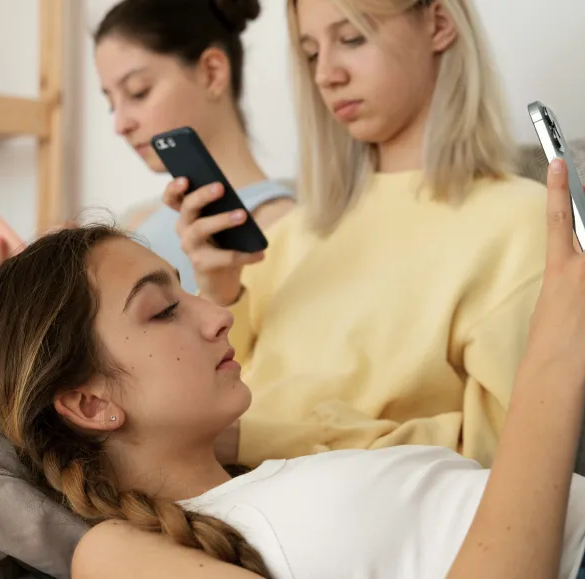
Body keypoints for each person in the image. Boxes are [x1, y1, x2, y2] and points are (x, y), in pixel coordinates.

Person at [0, 159, 585, 579]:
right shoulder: (112, 555)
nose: (217, 312)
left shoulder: (265, 483)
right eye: (163, 309)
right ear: (90, 402)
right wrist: (550, 366)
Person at [163, 0, 558, 469]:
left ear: (437, 24)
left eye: (351, 38)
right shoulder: (295, 231)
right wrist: (219, 289)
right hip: (214, 488)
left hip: (347, 512)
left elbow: (498, 454)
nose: (326, 75)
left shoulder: (518, 221)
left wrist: (254, 442)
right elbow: (229, 390)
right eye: (311, 53)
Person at [0, 0, 295, 295]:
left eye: (138, 91)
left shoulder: (283, 225)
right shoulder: (135, 222)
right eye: (110, 103)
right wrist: (34, 290)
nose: (120, 125)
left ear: (212, 72)